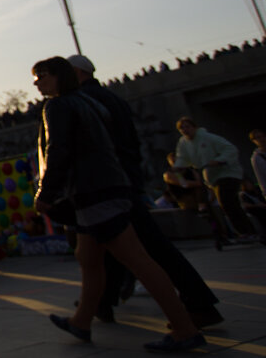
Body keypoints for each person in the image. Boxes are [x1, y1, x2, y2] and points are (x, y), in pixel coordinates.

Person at [32, 56, 204, 352]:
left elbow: (58, 150)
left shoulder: (58, 106)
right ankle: (82, 321)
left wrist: (45, 194)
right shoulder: (92, 103)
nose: (38, 82)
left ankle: (184, 328)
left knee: (138, 260)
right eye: (35, 77)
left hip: (93, 191)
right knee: (89, 258)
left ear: (60, 75)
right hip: (109, 185)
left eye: (42, 75)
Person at [67, 55, 222, 328]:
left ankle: (199, 305)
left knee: (150, 247)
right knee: (110, 245)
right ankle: (101, 303)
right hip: (123, 180)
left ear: (77, 73)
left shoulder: (83, 101)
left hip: (108, 185)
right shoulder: (112, 98)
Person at [173, 117, 256, 241]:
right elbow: (182, 157)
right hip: (210, 177)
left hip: (228, 172)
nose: (185, 130)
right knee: (217, 205)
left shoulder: (209, 138)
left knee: (227, 201)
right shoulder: (183, 143)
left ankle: (247, 231)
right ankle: (227, 233)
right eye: (182, 128)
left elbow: (231, 149)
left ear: (194, 127)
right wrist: (179, 167)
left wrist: (218, 160)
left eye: (187, 127)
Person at [250, 128, 266, 195]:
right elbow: (260, 177)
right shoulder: (256, 158)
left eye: (263, 136)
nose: (262, 139)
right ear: (254, 141)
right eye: (258, 137)